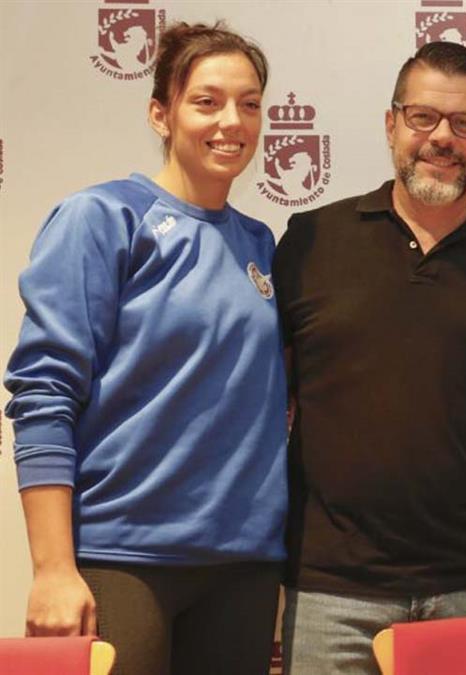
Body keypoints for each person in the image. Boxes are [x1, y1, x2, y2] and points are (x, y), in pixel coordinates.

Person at [274, 41, 466, 675]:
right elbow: (265, 416)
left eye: (465, 123)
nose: (442, 138)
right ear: (391, 123)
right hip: (329, 593)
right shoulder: (311, 242)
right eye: (423, 117)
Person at [5, 21, 285, 675]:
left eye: (249, 104)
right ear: (161, 113)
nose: (232, 121)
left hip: (244, 565)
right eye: (207, 101)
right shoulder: (103, 218)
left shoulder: (261, 243)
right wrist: (53, 568)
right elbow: (44, 392)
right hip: (125, 558)